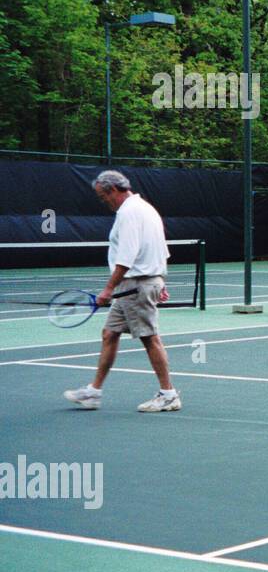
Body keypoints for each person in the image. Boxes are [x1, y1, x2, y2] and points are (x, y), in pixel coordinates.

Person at [62, 170, 181, 412]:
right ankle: (93, 393)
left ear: (113, 190)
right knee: (110, 333)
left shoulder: (128, 212)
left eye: (102, 196)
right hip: (140, 283)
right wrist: (160, 280)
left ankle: (168, 394)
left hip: (134, 285)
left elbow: (126, 257)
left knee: (150, 338)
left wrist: (108, 289)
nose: (102, 201)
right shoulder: (146, 208)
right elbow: (160, 248)